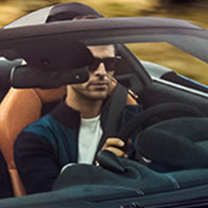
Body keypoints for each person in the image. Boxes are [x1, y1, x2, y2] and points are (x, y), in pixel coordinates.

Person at [13, 45, 142, 193]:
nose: (102, 72)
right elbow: (53, 204)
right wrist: (100, 171)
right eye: (90, 64)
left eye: (109, 64)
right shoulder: (35, 139)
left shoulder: (129, 120)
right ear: (65, 68)